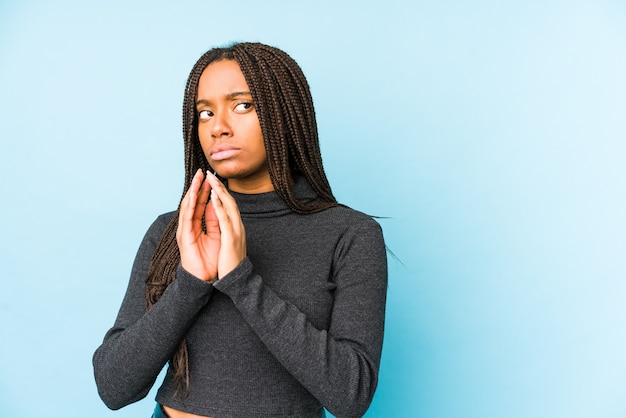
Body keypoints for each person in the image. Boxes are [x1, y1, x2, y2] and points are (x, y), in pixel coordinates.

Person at [93, 42, 387, 418]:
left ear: (284, 113)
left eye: (243, 105)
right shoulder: (173, 232)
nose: (218, 127)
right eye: (204, 112)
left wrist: (241, 280)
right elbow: (113, 387)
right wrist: (190, 283)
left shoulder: (349, 234)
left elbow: (351, 395)